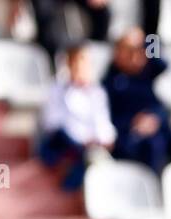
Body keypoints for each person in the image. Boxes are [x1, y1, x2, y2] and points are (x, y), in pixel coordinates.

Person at [103, 27, 171, 173]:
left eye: (138, 50)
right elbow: (108, 117)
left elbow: (161, 63)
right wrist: (135, 123)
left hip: (155, 125)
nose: (134, 55)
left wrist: (148, 38)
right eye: (128, 50)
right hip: (129, 134)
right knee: (154, 144)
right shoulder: (110, 81)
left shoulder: (147, 73)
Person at [38, 44, 116, 192]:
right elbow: (52, 122)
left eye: (84, 62)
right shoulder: (56, 89)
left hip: (88, 146)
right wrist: (82, 140)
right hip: (63, 142)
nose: (80, 67)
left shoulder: (97, 92)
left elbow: (103, 123)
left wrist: (102, 138)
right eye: (76, 62)